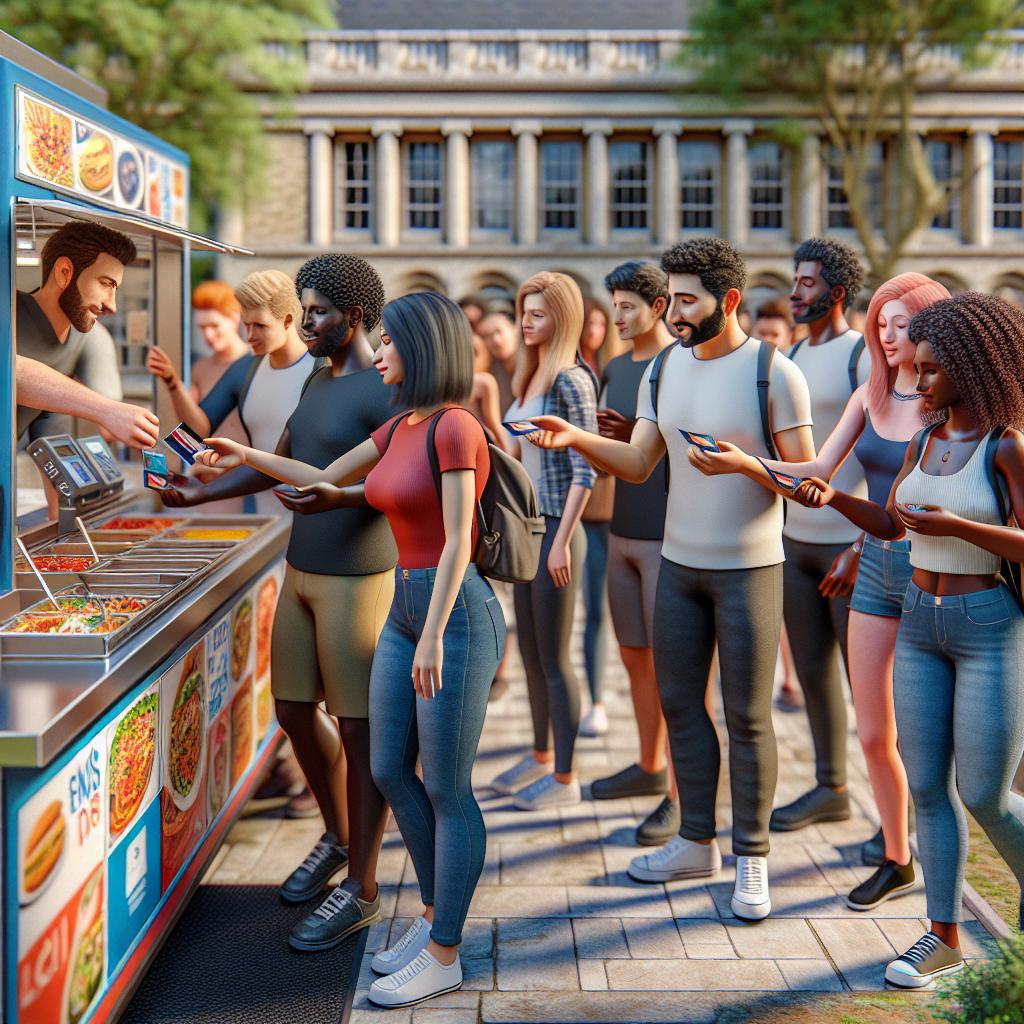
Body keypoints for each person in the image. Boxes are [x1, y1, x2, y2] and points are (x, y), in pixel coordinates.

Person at [204, 291, 505, 1008]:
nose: (383, 355)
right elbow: (322, 479)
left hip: (452, 614)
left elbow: (461, 538)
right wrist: (243, 452)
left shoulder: (457, 428)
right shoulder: (401, 423)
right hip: (406, 607)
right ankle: (434, 917)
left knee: (447, 788)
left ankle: (444, 953)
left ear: (423, 348)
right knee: (387, 769)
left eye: (393, 343)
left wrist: (432, 631)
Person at [526, 238, 814, 921]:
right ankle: (695, 841)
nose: (674, 314)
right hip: (680, 568)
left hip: (750, 571)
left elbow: (812, 483)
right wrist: (575, 441)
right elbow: (638, 462)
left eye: (688, 301)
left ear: (730, 301)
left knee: (747, 719)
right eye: (672, 300)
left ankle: (752, 859)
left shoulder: (774, 373)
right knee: (682, 708)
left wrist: (746, 466)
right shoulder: (664, 371)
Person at [689, 272, 951, 912]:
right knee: (872, 733)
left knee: (925, 739)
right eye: (881, 324)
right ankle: (898, 855)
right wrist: (747, 463)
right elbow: (815, 473)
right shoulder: (871, 395)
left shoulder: (952, 400)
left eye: (902, 325)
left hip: (934, 576)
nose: (889, 337)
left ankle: (936, 865)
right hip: (882, 574)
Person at [163, 254, 397, 951]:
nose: (307, 323)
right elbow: (278, 459)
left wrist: (338, 494)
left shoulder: (383, 386)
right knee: (294, 712)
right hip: (300, 566)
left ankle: (363, 885)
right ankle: (336, 835)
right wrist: (199, 490)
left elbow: (392, 483)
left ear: (352, 317)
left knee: (358, 730)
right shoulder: (318, 380)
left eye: (318, 312)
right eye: (303, 310)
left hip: (360, 575)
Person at [795, 292, 1024, 987]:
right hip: (920, 619)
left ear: (973, 365)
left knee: (983, 792)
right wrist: (832, 498)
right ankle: (942, 935)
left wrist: (960, 529)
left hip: (990, 626)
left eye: (929, 371)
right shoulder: (924, 439)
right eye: (915, 369)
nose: (917, 383)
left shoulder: (1007, 446)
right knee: (927, 785)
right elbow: (893, 525)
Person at [767, 239, 869, 833]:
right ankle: (831, 787)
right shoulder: (793, 357)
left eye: (806, 283)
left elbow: (887, 457)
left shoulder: (862, 357)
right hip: (794, 543)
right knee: (811, 673)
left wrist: (861, 546)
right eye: (794, 280)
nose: (794, 292)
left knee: (870, 692)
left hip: (847, 546)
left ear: (836, 292)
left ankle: (898, 822)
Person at [490, 272, 597, 811]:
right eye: (523, 312)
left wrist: (563, 540)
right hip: (528, 525)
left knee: (555, 656)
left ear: (563, 318)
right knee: (530, 652)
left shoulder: (570, 382)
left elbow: (587, 469)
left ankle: (565, 776)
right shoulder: (528, 376)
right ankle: (539, 754)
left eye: (537, 314)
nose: (526, 322)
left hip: (558, 527)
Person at [587, 260, 680, 847]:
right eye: (613, 305)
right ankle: (650, 766)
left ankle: (682, 794)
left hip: (668, 534)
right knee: (634, 657)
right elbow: (607, 458)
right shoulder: (615, 368)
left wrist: (631, 440)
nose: (617, 316)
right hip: (622, 529)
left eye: (627, 306)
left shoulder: (679, 365)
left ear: (659, 306)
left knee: (678, 672)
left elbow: (689, 448)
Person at [147, 271, 319, 517]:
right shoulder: (245, 369)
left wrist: (210, 488)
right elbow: (197, 430)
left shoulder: (320, 369)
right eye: (246, 325)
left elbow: (292, 459)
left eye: (260, 326)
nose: (250, 336)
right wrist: (163, 468)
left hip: (312, 519)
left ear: (288, 320)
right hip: (263, 518)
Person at [15, 220, 158, 448]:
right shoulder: (7, 308)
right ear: (65, 273)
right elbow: (13, 372)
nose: (112, 306)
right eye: (105, 283)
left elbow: (52, 439)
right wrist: (107, 411)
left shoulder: (77, 341)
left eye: (115, 289)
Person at [578, 297, 621, 737]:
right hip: (580, 504)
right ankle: (594, 696)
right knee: (590, 609)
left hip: (614, 504)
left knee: (605, 609)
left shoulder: (614, 370)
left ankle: (600, 696)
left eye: (599, 323)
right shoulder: (571, 374)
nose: (593, 330)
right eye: (586, 322)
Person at [477, 309, 517, 415]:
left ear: (515, 329)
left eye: (499, 331)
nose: (496, 340)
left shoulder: (537, 363)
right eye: (487, 336)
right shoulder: (490, 374)